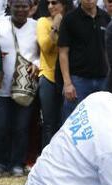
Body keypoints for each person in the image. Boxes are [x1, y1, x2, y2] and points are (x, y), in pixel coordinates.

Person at [0, 0, 39, 178]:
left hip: (25, 88)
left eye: (24, 6)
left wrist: (37, 65)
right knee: (0, 126)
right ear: (10, 5)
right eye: (17, 6)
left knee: (21, 127)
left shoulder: (36, 26)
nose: (20, 10)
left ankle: (17, 163)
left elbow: (43, 53)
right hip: (2, 88)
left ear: (31, 7)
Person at [58, 0, 111, 121]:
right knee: (74, 122)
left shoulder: (105, 17)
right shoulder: (69, 19)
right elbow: (63, 52)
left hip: (103, 79)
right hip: (78, 81)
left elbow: (108, 50)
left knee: (101, 121)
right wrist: (67, 83)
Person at [37, 0, 72, 148]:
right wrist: (55, 26)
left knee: (65, 121)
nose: (50, 6)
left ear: (64, 5)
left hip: (68, 78)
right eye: (49, 3)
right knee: (49, 122)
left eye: (55, 2)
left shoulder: (71, 22)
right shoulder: (43, 22)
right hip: (48, 77)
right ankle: (46, 158)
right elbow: (45, 46)